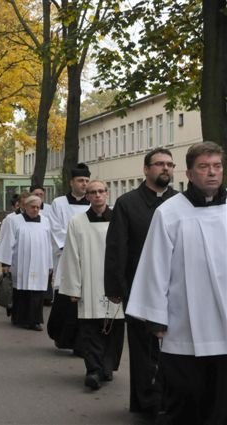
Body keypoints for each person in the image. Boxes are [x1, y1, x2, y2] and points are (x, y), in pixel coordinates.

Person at [127, 141, 227, 424]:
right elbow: (155, 267)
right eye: (204, 167)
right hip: (184, 326)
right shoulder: (170, 213)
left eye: (217, 166)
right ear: (190, 173)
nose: (212, 172)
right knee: (185, 399)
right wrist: (156, 318)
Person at [104, 148, 177, 416]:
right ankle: (147, 403)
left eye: (170, 164)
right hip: (138, 288)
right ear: (146, 169)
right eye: (159, 164)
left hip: (175, 290)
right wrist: (115, 287)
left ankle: (170, 400)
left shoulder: (180, 203)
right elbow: (117, 247)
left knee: (173, 349)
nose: (165, 168)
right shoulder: (127, 203)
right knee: (143, 350)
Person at [60, 181, 124, 391]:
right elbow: (71, 255)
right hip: (88, 281)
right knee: (90, 329)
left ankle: (107, 366)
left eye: (101, 191)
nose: (97, 195)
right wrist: (73, 288)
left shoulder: (119, 220)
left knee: (114, 328)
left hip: (114, 282)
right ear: (87, 196)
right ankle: (93, 370)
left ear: (107, 194)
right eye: (92, 192)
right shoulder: (77, 222)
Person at [47, 163, 91, 350]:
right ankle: (63, 337)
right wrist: (73, 247)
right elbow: (55, 229)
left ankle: (82, 341)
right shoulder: (59, 203)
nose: (84, 184)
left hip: (89, 258)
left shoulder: (94, 203)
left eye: (87, 180)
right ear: (71, 182)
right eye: (80, 180)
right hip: (66, 257)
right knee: (66, 299)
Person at [2, 196, 52, 329]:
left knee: (37, 292)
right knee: (20, 290)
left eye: (38, 207)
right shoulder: (14, 221)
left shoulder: (45, 221)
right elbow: (8, 242)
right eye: (32, 207)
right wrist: (5, 263)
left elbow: (49, 244)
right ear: (25, 207)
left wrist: (50, 264)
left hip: (40, 262)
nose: (35, 210)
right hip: (20, 261)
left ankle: (35, 321)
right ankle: (19, 318)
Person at [29, 184, 52, 305]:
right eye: (36, 194)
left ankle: (47, 296)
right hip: (31, 244)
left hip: (45, 243)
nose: (39, 196)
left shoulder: (50, 208)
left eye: (41, 194)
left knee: (46, 271)